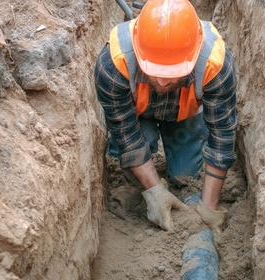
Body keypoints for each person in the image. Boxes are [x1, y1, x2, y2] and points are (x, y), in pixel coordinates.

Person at [94, 0, 237, 233]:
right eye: (155, 72)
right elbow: (126, 134)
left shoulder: (215, 65)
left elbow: (222, 136)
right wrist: (155, 191)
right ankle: (143, 186)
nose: (161, 82)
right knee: (139, 143)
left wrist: (210, 206)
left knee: (186, 175)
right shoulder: (113, 64)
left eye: (172, 73)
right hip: (137, 114)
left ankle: (177, 170)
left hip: (185, 113)